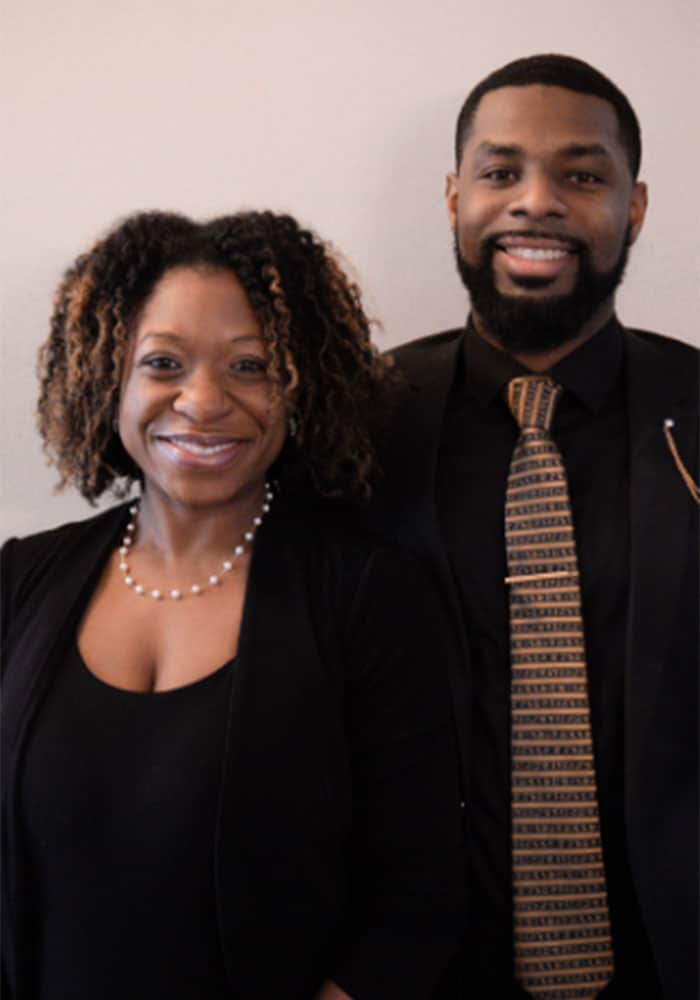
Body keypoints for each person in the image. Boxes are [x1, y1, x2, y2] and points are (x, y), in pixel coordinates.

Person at [1, 210, 465, 999]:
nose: (204, 400)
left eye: (250, 366)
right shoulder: (20, 581)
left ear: (303, 387)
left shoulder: (368, 599)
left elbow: (417, 902)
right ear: (108, 376)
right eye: (164, 362)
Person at [370, 54, 698, 999]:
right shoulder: (356, 422)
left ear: (633, 208)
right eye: (501, 172)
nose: (537, 202)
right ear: (454, 196)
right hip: (417, 965)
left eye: (582, 176)